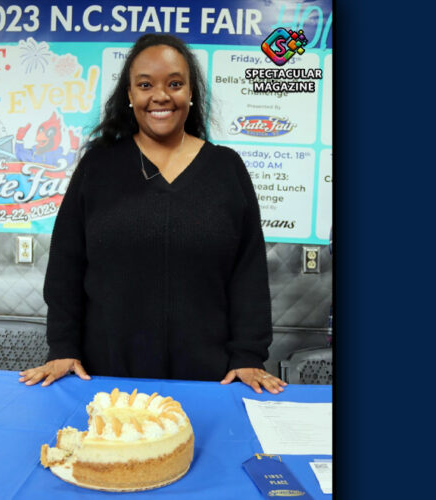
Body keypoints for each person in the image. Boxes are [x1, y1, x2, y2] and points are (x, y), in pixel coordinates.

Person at [18, 34, 287, 394]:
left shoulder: (227, 168)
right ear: (129, 95)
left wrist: (249, 355)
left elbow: (248, 274)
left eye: (175, 84)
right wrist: (63, 347)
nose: (160, 95)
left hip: (211, 381)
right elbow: (66, 267)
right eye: (145, 84)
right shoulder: (98, 167)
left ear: (191, 92)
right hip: (106, 380)